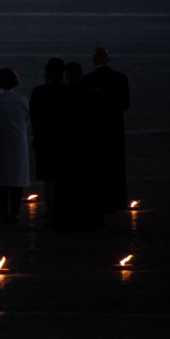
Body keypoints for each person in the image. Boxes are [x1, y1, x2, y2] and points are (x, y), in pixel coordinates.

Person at [52, 62, 104, 231]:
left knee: (67, 181)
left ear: (66, 76)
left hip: (66, 144)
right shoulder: (93, 95)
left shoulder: (59, 95)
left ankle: (67, 216)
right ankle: (90, 216)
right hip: (88, 142)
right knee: (88, 181)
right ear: (81, 75)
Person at [0, 68, 31, 224]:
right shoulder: (23, 100)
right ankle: (14, 212)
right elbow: (27, 121)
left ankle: (3, 212)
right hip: (18, 141)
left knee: (0, 179)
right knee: (16, 179)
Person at [83, 48, 130, 213]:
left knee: (96, 165)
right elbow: (125, 105)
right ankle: (116, 201)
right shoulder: (121, 78)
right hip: (115, 127)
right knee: (115, 165)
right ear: (108, 60)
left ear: (93, 61)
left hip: (95, 128)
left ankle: (97, 200)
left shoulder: (87, 79)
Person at [29, 58, 67, 215]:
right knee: (63, 176)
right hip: (65, 140)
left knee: (48, 178)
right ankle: (62, 208)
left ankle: (50, 209)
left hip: (44, 140)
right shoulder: (68, 91)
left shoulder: (38, 92)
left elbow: (33, 117)